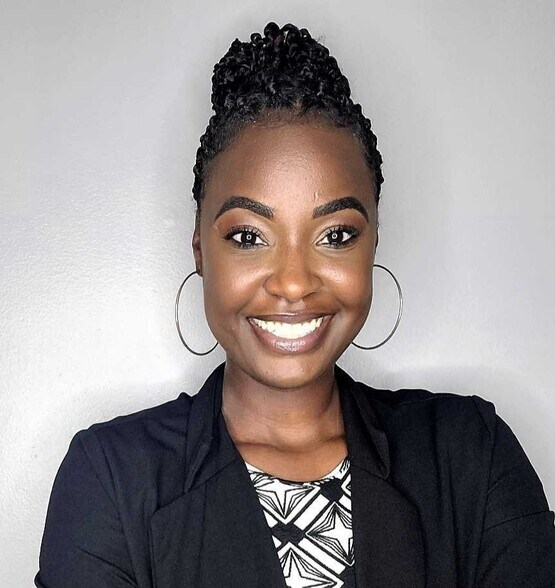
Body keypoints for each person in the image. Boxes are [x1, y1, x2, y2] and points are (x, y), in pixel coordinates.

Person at [35, 21, 555, 588]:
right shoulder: (111, 480)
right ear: (200, 250)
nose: (292, 283)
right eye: (248, 236)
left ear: (372, 245)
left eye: (336, 235)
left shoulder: (470, 453)